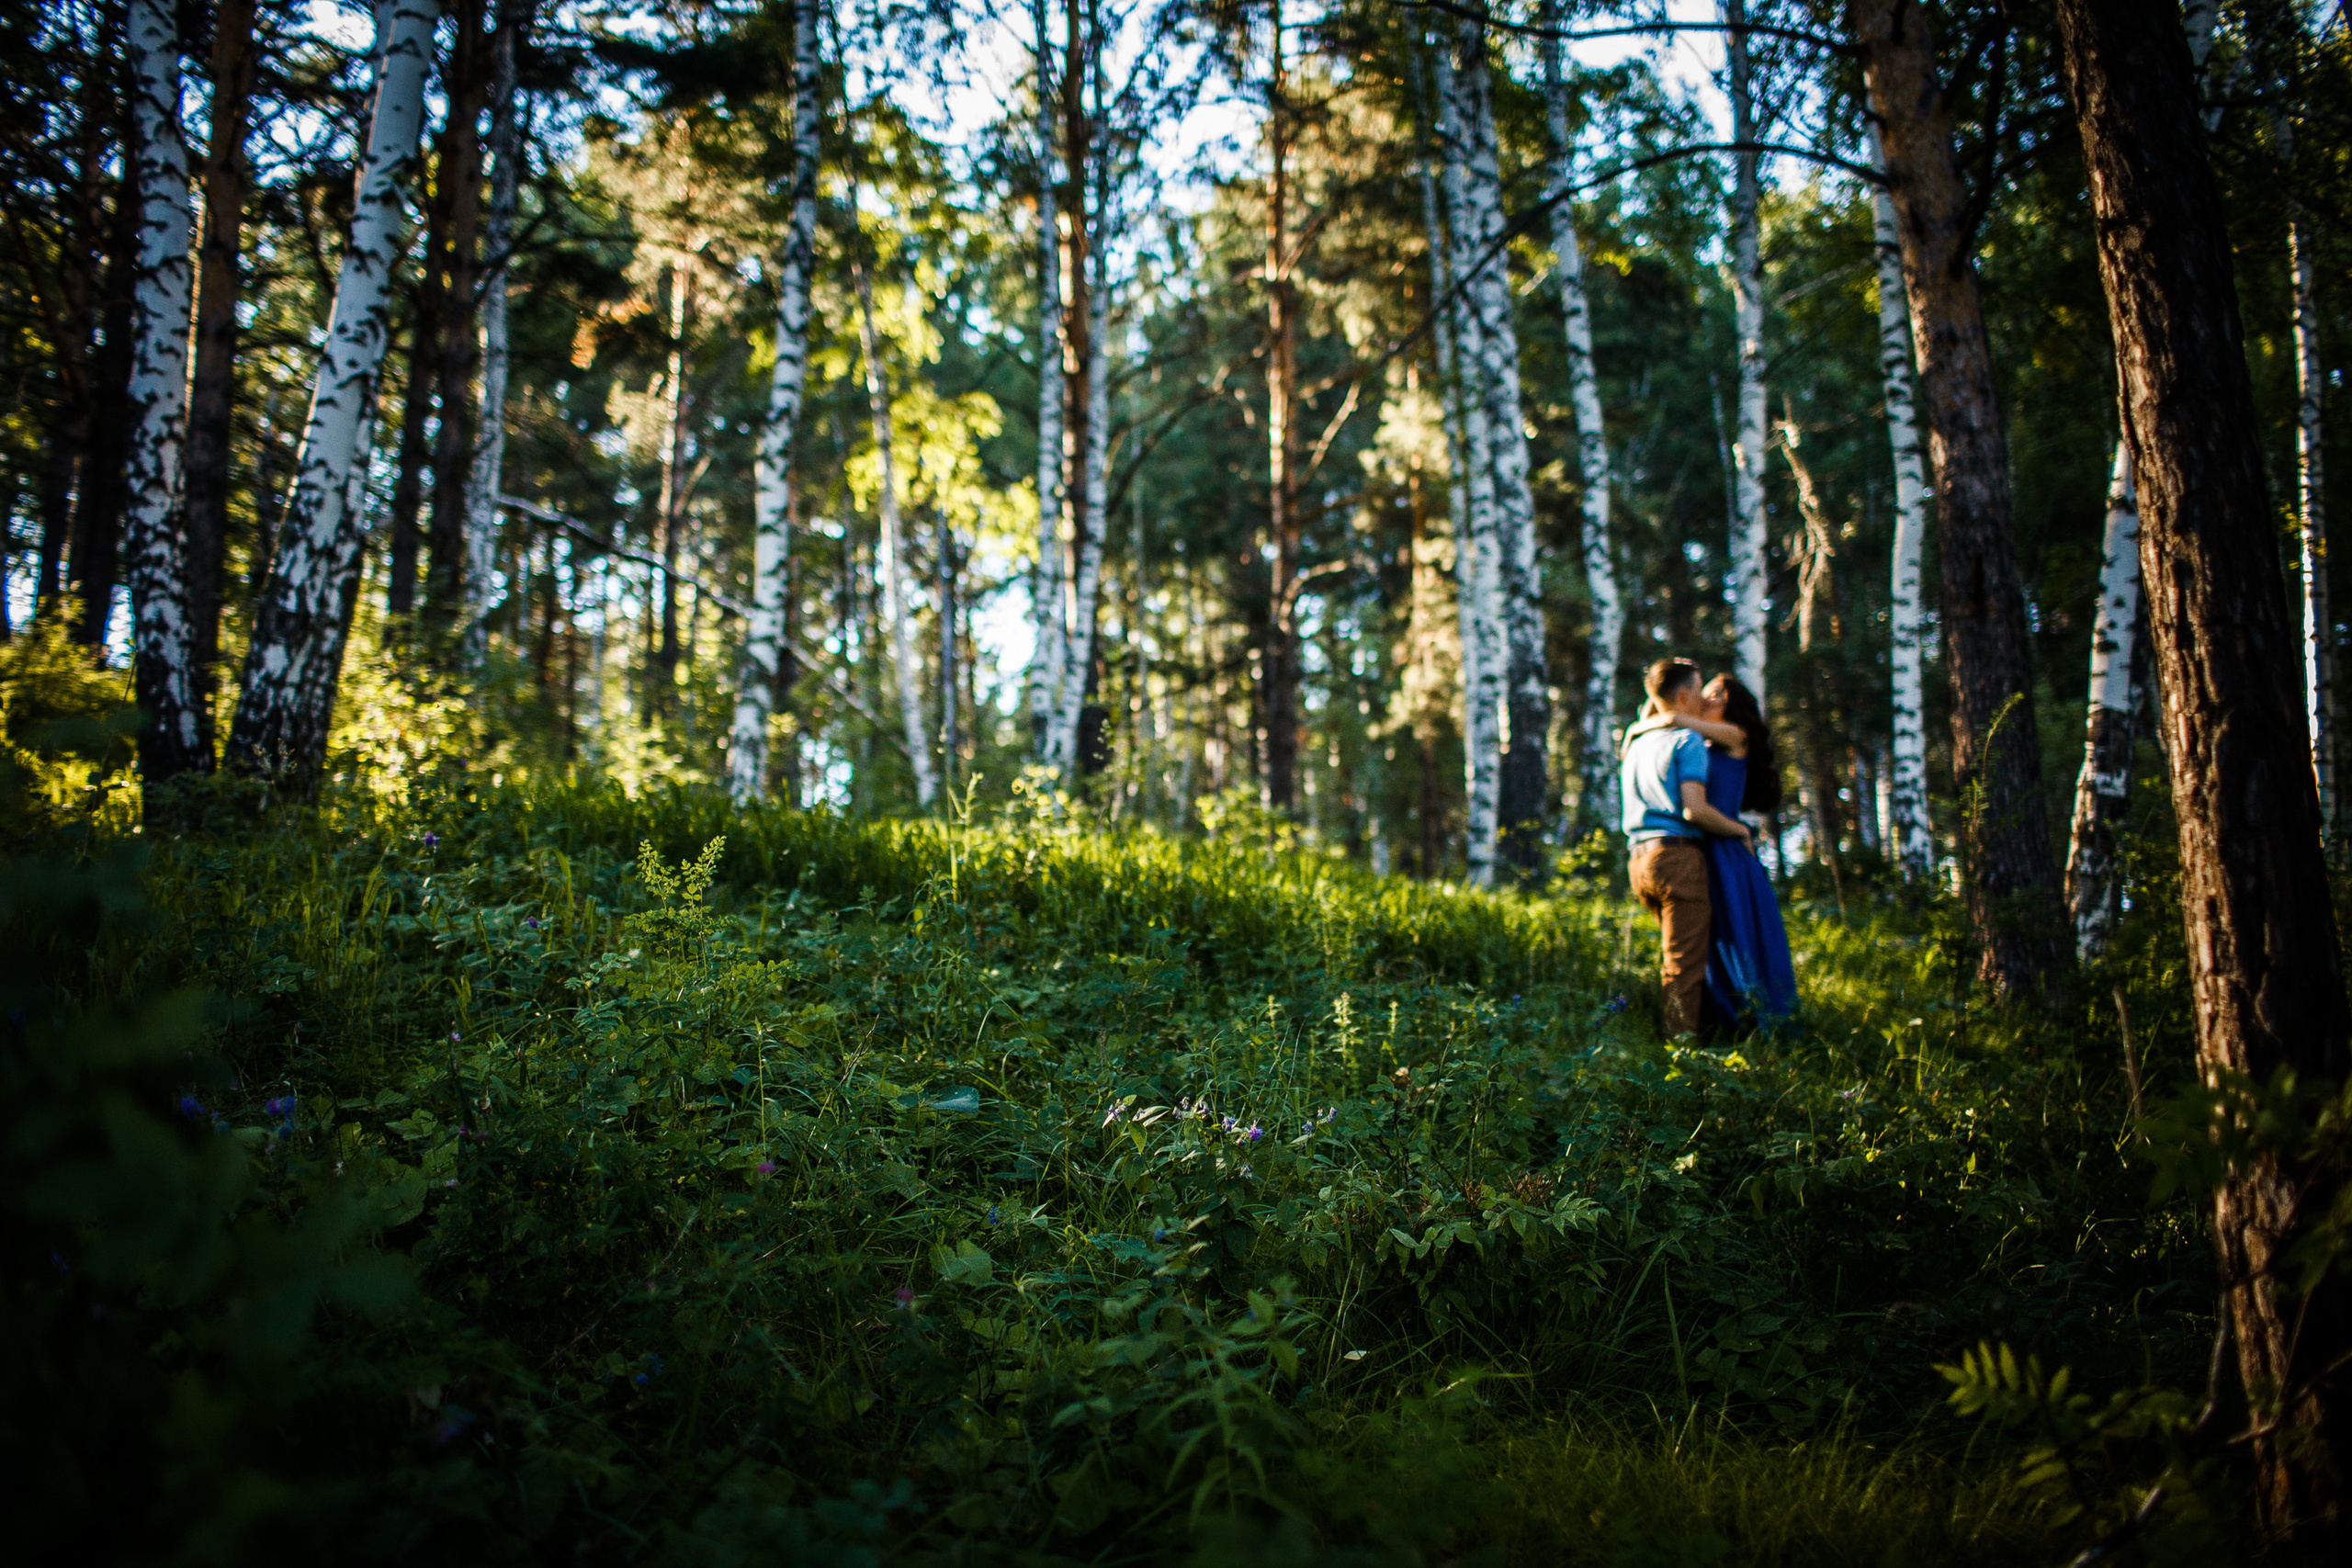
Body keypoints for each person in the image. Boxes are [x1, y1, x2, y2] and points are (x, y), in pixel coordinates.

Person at [1654, 674, 1798, 1029]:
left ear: (1734, 706)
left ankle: (1765, 1025)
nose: (1708, 698)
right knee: (1707, 942)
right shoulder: (1697, 745)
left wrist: (1634, 731)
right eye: (1706, 692)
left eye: (1718, 694)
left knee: (1743, 936)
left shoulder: (1736, 737)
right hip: (1700, 849)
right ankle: (1722, 1026)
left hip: (1729, 852)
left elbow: (1672, 717)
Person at [1619, 659, 1752, 1037]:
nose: (1703, 697)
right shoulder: (1687, 740)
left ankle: (1698, 1032)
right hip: (1677, 856)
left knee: (1677, 952)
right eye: (1697, 689)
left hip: (1639, 860)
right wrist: (1739, 831)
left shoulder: (1637, 742)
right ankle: (1679, 1053)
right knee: (1684, 963)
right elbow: (1694, 809)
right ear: (1682, 695)